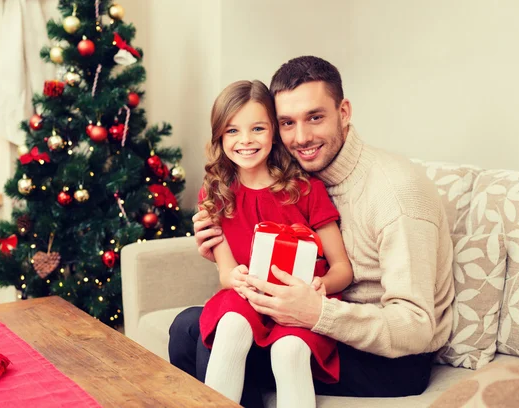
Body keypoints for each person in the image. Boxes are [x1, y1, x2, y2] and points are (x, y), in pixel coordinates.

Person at [169, 56, 455, 407]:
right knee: (190, 326)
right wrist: (218, 248)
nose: (301, 137)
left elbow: (416, 327)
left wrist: (316, 312)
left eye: (315, 117)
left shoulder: (397, 194)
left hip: (387, 358)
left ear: (344, 112)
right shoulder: (301, 173)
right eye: (287, 122)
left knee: (196, 335)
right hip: (315, 320)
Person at [197, 79, 353, 407]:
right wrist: (235, 278)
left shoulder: (305, 189)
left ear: (274, 132)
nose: (245, 141)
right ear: (219, 137)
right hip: (248, 296)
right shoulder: (215, 194)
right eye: (232, 131)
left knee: (289, 351)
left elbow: (342, 269)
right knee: (231, 328)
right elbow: (227, 273)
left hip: (300, 300)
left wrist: (318, 286)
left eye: (257, 128)